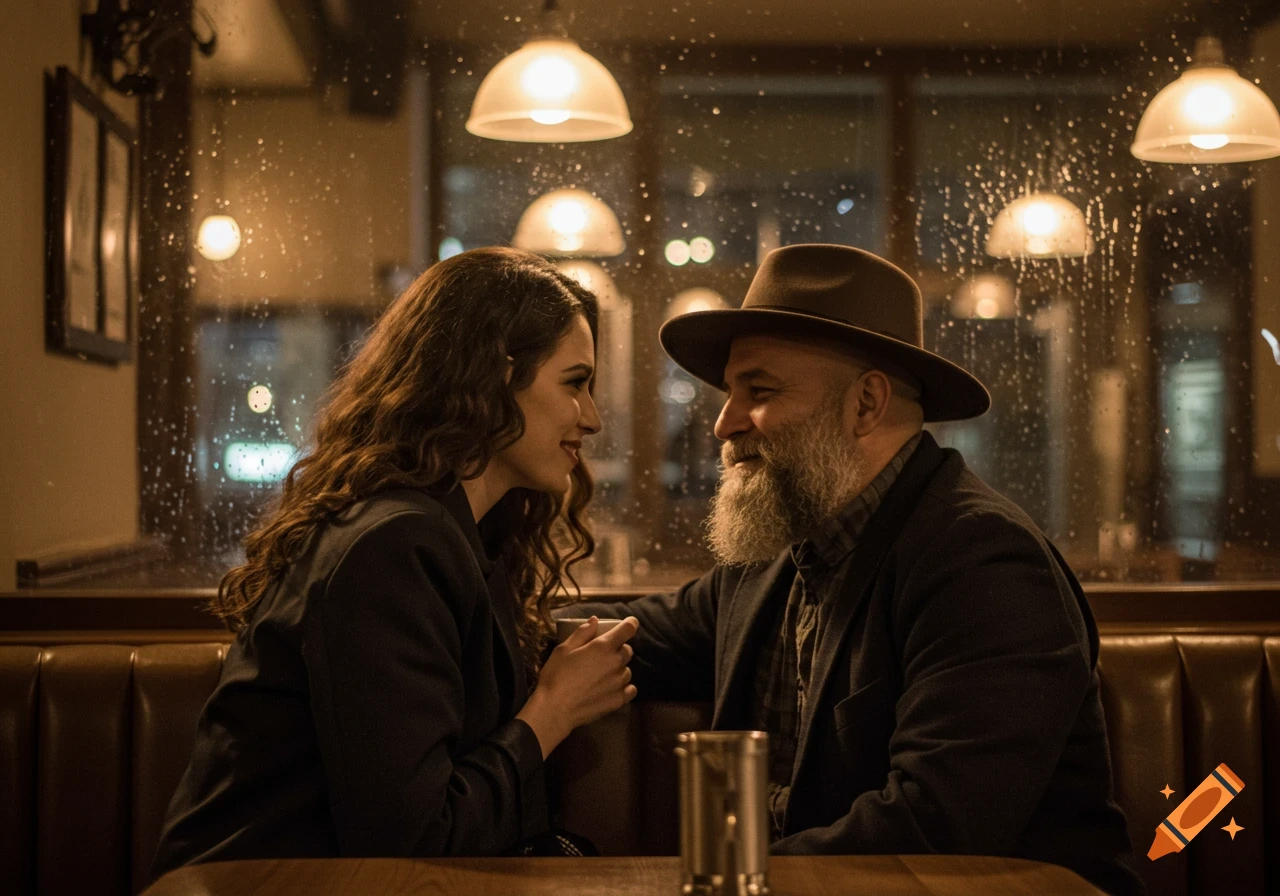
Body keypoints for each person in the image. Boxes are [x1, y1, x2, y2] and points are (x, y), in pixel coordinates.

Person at [567, 244, 1143, 896]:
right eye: (730, 392)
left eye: (760, 391)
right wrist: (490, 622)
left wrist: (727, 881)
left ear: (866, 404)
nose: (724, 423)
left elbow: (934, 830)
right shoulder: (780, 551)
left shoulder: (983, 563)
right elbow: (628, 634)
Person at [151, 246, 639, 875]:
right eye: (574, 383)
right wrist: (553, 711)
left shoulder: (456, 534)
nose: (592, 418)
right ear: (494, 378)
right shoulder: (394, 545)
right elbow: (412, 844)